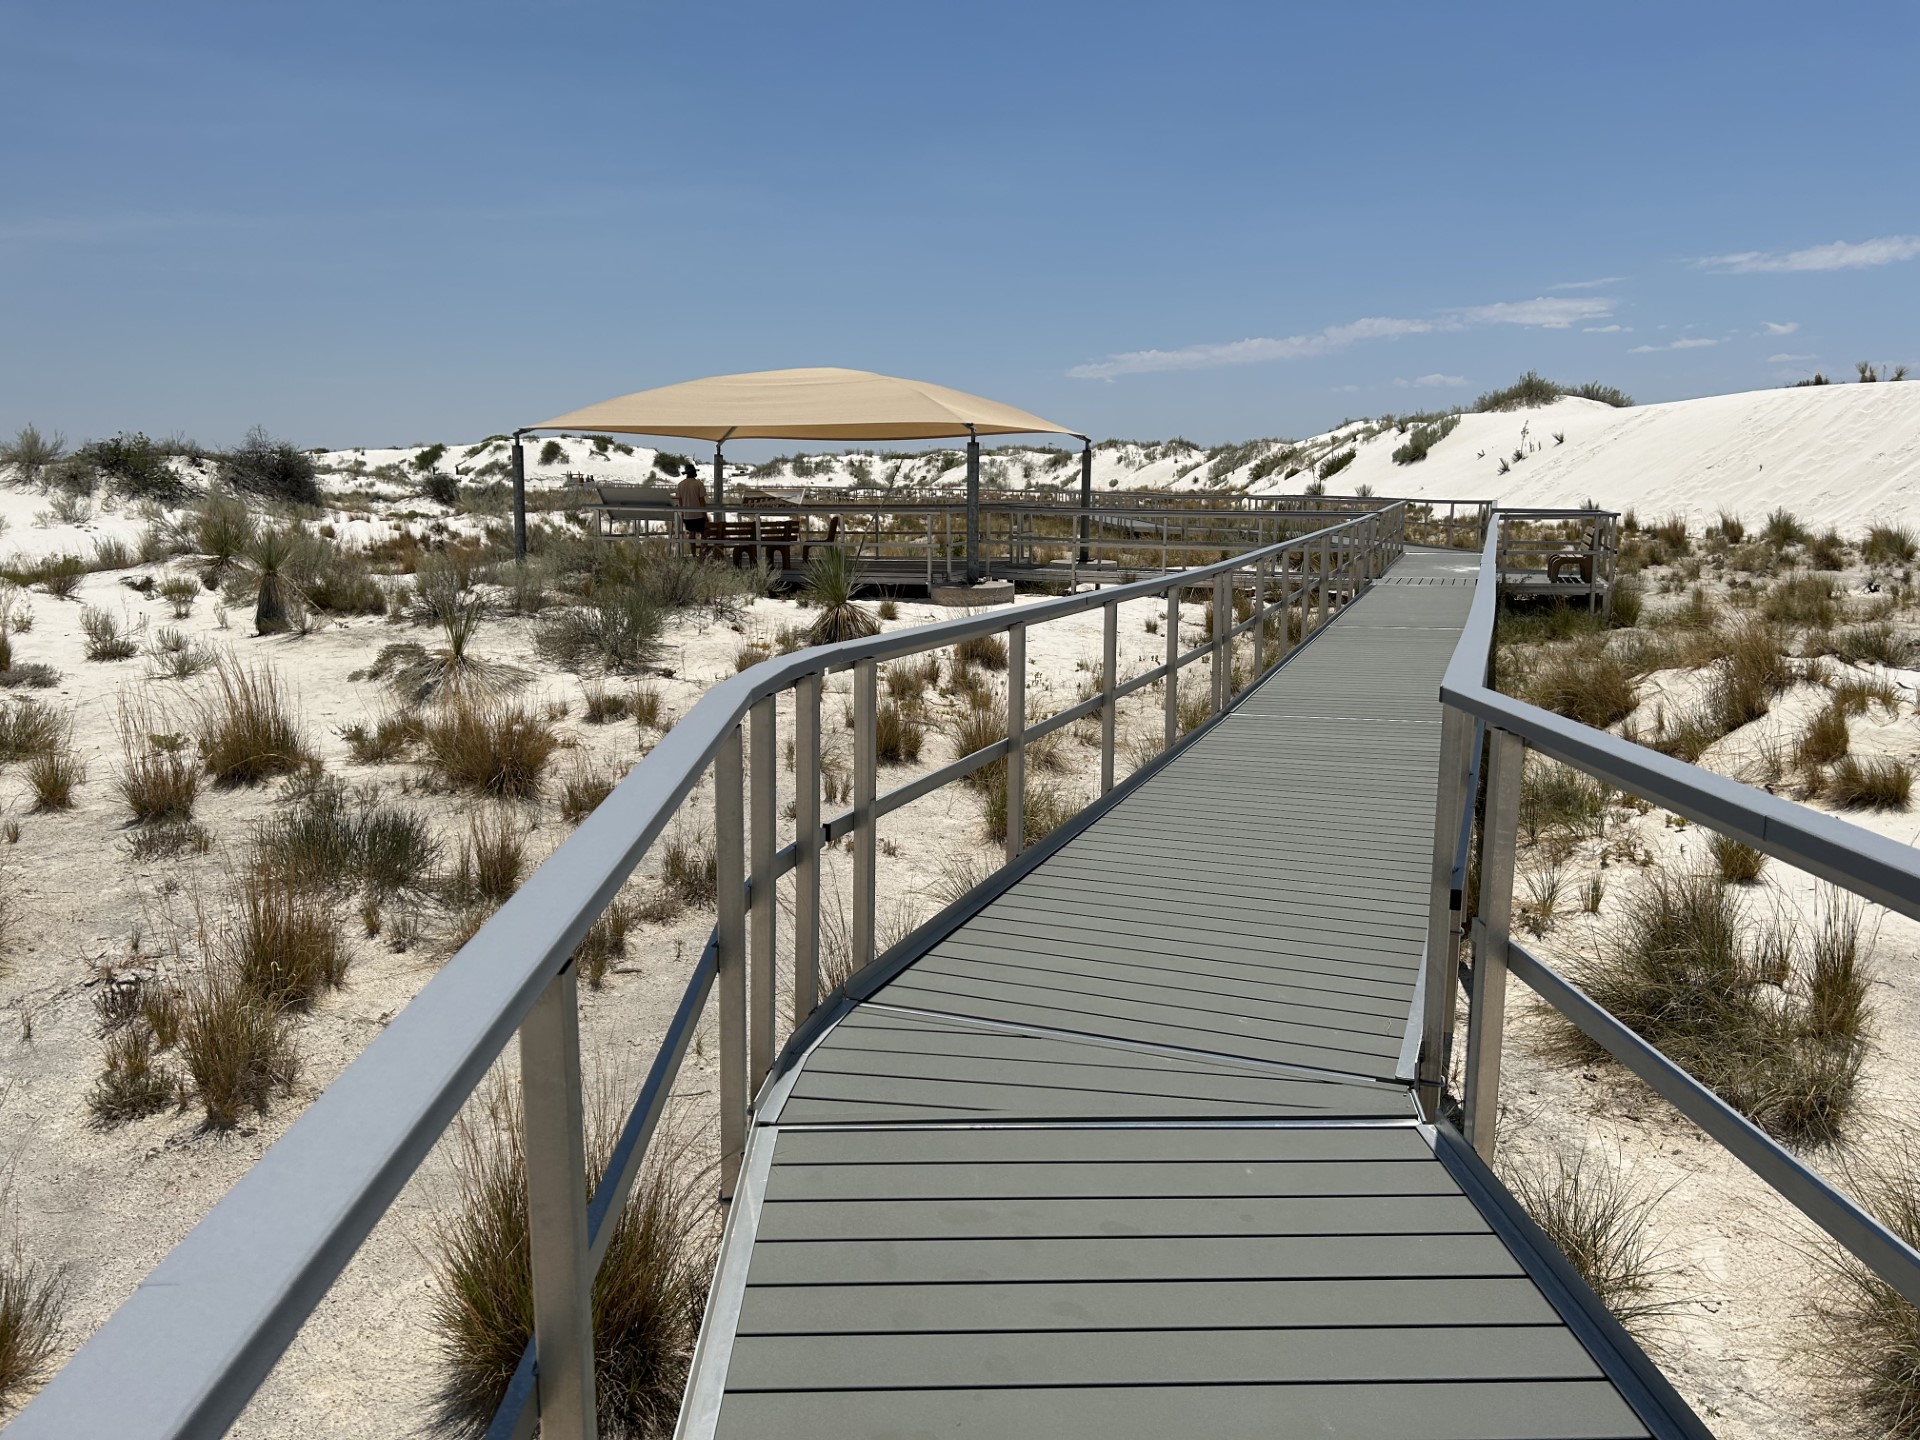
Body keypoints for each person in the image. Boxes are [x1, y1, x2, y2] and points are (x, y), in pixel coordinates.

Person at [676, 463, 709, 547]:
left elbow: (680, 501)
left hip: (687, 515)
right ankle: (702, 553)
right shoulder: (698, 484)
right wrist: (705, 515)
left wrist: (683, 513)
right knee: (703, 533)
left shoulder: (680, 485)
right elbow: (702, 501)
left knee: (691, 534)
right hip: (698, 514)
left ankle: (693, 554)